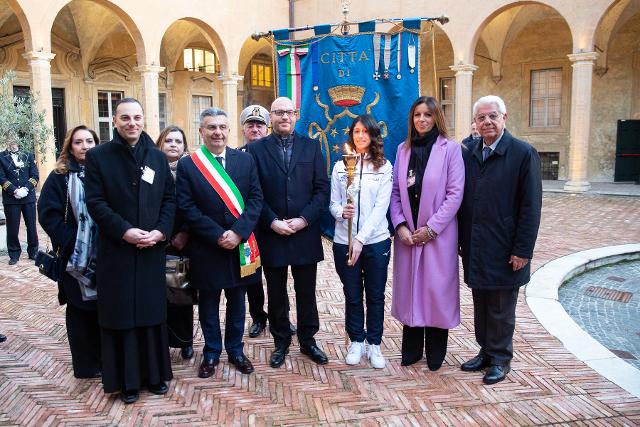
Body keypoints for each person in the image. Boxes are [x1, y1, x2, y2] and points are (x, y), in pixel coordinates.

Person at [85, 98, 175, 404]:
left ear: (144, 119)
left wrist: (161, 231)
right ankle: (127, 382)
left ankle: (154, 376)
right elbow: (95, 203)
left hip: (151, 249)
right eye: (125, 118)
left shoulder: (158, 158)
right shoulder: (98, 157)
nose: (132, 123)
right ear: (114, 120)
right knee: (121, 315)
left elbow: (169, 200)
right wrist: (125, 231)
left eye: (137, 117)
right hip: (117, 250)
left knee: (150, 313)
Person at [458, 95, 542, 385]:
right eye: (481, 118)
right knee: (480, 301)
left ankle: (501, 358)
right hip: (476, 243)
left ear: (504, 118)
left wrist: (523, 249)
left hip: (507, 247)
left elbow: (531, 207)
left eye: (493, 116)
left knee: (502, 307)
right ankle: (485, 351)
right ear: (475, 123)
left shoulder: (523, 153)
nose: (487, 122)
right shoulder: (469, 151)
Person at [176, 108, 262, 378]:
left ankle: (235, 350)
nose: (217, 132)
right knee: (209, 304)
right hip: (207, 247)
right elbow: (187, 207)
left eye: (222, 127)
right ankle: (211, 352)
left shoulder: (245, 161)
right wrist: (216, 234)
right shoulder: (189, 164)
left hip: (240, 246)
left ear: (229, 130)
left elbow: (256, 200)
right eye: (211, 127)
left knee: (238, 302)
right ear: (201, 131)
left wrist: (237, 232)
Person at [247, 96, 330, 368]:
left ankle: (308, 340)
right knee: (276, 292)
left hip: (304, 233)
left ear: (296, 116)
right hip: (273, 233)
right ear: (271, 117)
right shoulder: (257, 150)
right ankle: (281, 340)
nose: (284, 117)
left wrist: (304, 220)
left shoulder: (312, 147)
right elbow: (254, 193)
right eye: (278, 112)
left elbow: (321, 190)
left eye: (289, 112)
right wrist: (271, 221)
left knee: (307, 291)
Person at [389, 96, 465, 370]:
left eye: (427, 115)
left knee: (435, 291)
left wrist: (431, 229)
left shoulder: (451, 150)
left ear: (436, 118)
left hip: (438, 236)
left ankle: (435, 352)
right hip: (408, 236)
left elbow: (455, 194)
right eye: (417, 114)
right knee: (410, 290)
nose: (422, 119)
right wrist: (400, 226)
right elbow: (396, 192)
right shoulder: (402, 150)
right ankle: (410, 350)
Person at [38, 125, 102, 378]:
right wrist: (73, 240)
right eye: (79, 142)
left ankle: (106, 360)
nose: (85, 146)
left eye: (89, 141)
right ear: (70, 147)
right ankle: (86, 365)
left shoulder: (104, 173)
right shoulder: (60, 176)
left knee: (102, 307)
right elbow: (48, 214)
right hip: (74, 256)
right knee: (79, 309)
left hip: (105, 253)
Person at [329, 114, 392, 369]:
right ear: (351, 135)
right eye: (356, 131)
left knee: (375, 295)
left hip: (375, 241)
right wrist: (340, 212)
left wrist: (361, 240)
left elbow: (381, 208)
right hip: (343, 240)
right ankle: (356, 340)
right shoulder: (340, 166)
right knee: (352, 294)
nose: (361, 136)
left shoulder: (384, 166)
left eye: (366, 131)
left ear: (373, 135)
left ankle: (374, 344)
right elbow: (333, 202)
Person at [155, 125, 195, 360]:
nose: (173, 145)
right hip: (156, 242)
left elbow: (196, 205)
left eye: (178, 141)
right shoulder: (152, 170)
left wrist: (185, 234)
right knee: (157, 296)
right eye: (168, 140)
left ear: (184, 146)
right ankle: (161, 341)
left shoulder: (190, 171)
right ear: (160, 144)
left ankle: (184, 340)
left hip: (181, 242)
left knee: (180, 295)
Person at [0, 140, 38, 265]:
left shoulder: (28, 155)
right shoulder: (1, 156)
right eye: (10, 139)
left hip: (28, 197)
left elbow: (35, 175)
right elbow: (1, 177)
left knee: (31, 226)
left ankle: (33, 252)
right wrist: (15, 191)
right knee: (12, 227)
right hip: (11, 198)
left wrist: (26, 188)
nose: (12, 142)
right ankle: (14, 254)